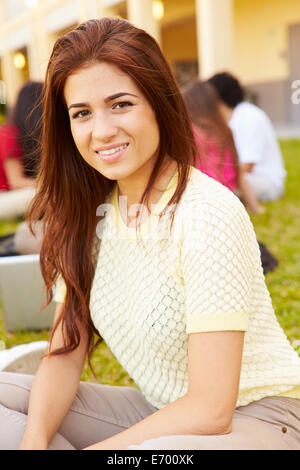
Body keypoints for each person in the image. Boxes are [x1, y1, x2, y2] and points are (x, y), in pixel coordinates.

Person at [0, 18, 300, 451]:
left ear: (158, 104)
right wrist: (33, 441)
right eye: (81, 113)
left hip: (262, 420)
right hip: (163, 411)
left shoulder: (206, 213)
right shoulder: (89, 216)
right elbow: (65, 353)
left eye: (120, 104)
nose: (101, 131)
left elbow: (212, 411)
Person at [182, 79, 264, 214]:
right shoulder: (225, 131)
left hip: (199, 204)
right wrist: (256, 208)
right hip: (228, 203)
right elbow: (240, 175)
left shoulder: (188, 133)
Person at [207, 72, 286, 203]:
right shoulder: (227, 119)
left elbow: (248, 166)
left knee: (218, 189)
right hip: (245, 179)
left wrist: (218, 176)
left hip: (266, 181)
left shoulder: (249, 116)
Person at [0, 81, 43, 220]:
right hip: (4, 197)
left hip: (10, 195)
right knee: (48, 194)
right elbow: (16, 181)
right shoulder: (8, 133)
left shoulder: (28, 136)